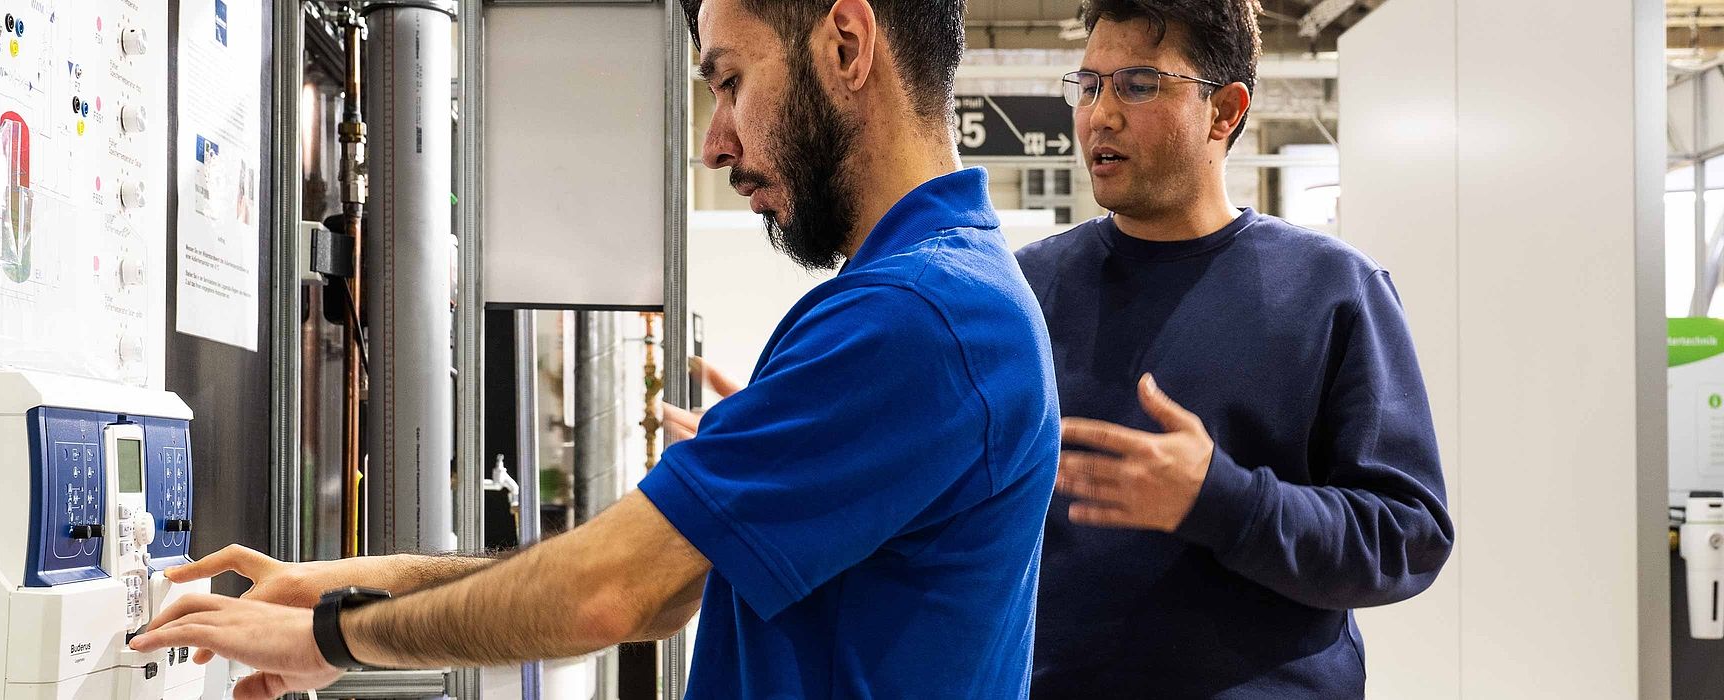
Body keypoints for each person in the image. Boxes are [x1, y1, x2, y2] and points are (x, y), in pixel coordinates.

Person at [127, 1, 1062, 697]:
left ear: (847, 45)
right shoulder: (940, 297)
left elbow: (609, 594)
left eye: (731, 80)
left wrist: (331, 639)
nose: (714, 142)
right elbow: (658, 590)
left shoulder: (916, 318)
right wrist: (352, 583)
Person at [1013, 1, 1454, 697]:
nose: (1100, 115)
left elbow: (1407, 536)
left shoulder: (1333, 290)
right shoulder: (1027, 291)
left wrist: (1222, 500)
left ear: (1224, 112)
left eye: (1137, 84)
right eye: (1089, 85)